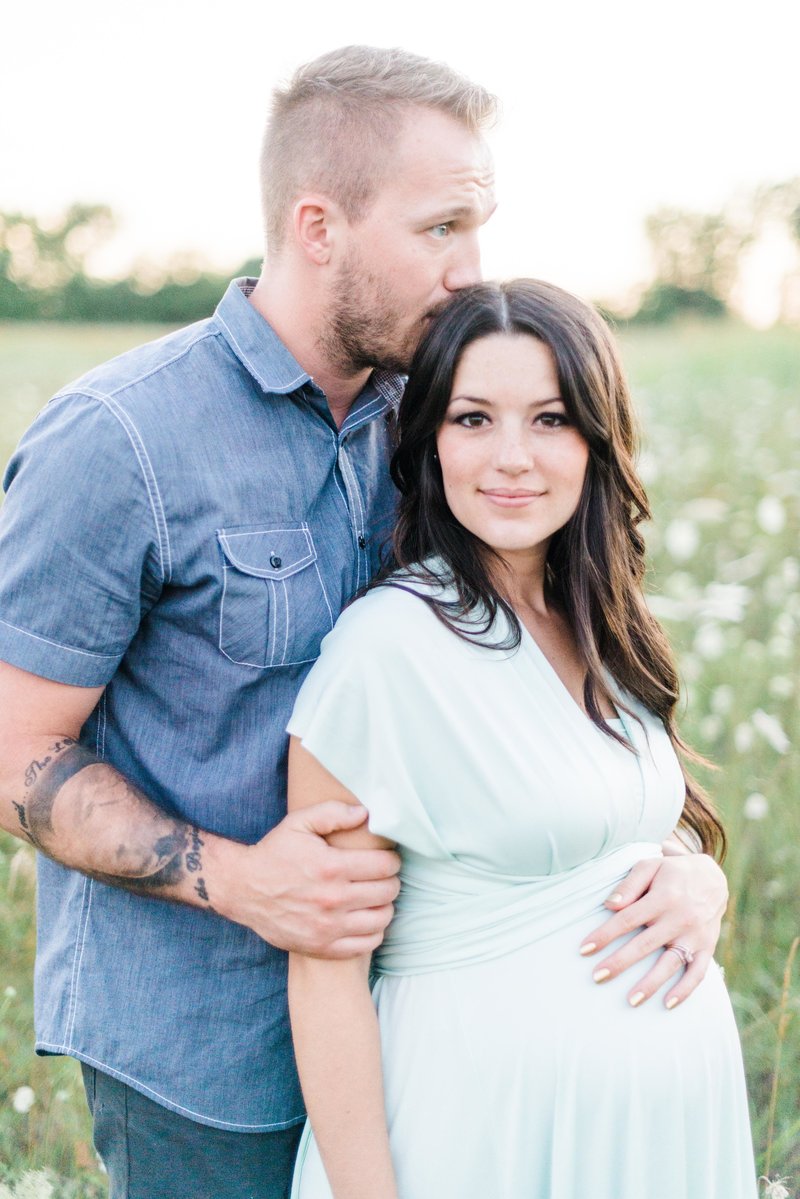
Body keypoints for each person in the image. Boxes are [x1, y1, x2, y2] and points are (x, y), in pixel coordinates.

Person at [0, 47, 727, 1199]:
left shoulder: (447, 421)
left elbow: (541, 701)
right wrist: (237, 878)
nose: (466, 270)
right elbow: (15, 753)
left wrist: (682, 865)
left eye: (478, 230)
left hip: (437, 1020)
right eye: (440, 227)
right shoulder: (120, 441)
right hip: (204, 1052)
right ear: (318, 225)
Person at [286, 280, 757, 1199]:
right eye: (473, 418)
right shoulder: (386, 651)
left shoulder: (600, 621)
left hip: (655, 1147)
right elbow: (325, 973)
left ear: (596, 438)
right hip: (479, 1134)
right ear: (428, 440)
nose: (511, 458)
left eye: (549, 419)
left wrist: (702, 878)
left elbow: (593, 837)